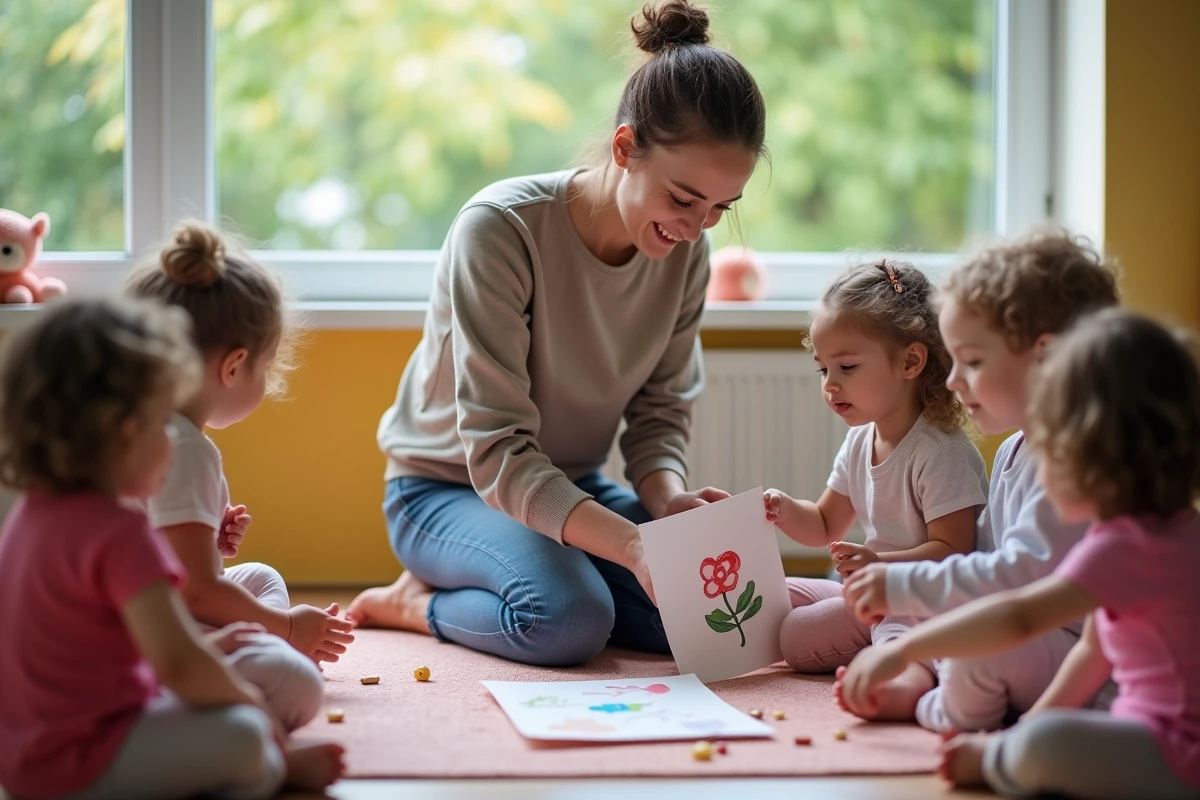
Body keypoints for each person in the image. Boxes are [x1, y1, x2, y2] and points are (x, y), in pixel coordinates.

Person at [347, 0, 767, 666]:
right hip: (444, 490)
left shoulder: (687, 255)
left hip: (570, 486)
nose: (696, 227)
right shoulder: (500, 230)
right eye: (684, 199)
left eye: (721, 208)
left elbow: (659, 415)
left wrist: (667, 498)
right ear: (626, 148)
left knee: (702, 621)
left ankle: (560, 567)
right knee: (569, 619)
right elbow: (498, 452)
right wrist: (633, 546)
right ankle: (411, 604)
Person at [842, 309, 1200, 799]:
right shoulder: (1168, 529)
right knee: (1041, 732)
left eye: (1049, 448)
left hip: (1176, 757)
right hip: (1143, 731)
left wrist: (904, 650)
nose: (1040, 468)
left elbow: (1016, 617)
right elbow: (1094, 652)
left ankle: (997, 760)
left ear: (1098, 455)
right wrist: (1027, 725)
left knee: (1047, 745)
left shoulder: (1125, 548)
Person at [0, 298, 344, 799]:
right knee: (247, 739)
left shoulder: (30, 515)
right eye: (165, 423)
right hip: (76, 764)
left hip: (22, 755)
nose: (175, 441)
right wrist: (259, 713)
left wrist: (210, 648)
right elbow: (178, 667)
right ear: (126, 432)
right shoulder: (119, 532)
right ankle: (272, 771)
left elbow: (103, 647)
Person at [836, 229, 1119, 729]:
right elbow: (983, 562)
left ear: (1044, 355)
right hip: (1029, 630)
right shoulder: (1016, 449)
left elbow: (1013, 581)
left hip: (1074, 658)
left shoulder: (1076, 464)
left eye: (973, 360)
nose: (952, 380)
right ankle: (923, 680)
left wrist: (903, 583)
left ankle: (935, 708)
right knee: (939, 617)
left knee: (973, 647)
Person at [127, 220, 353, 729]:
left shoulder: (140, 429)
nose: (268, 380)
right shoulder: (184, 450)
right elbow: (198, 593)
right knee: (298, 687)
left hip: (138, 606)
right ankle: (194, 698)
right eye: (267, 367)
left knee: (258, 576)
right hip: (150, 630)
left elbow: (161, 548)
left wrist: (206, 535)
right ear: (233, 367)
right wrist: (288, 626)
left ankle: (257, 645)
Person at [767, 261, 987, 679]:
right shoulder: (859, 440)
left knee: (796, 635)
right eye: (823, 368)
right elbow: (824, 524)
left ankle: (908, 665)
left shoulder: (941, 452)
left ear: (910, 362)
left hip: (926, 599)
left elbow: (955, 551)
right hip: (878, 583)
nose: (830, 384)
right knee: (777, 595)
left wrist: (880, 564)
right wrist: (782, 508)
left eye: (846, 367)